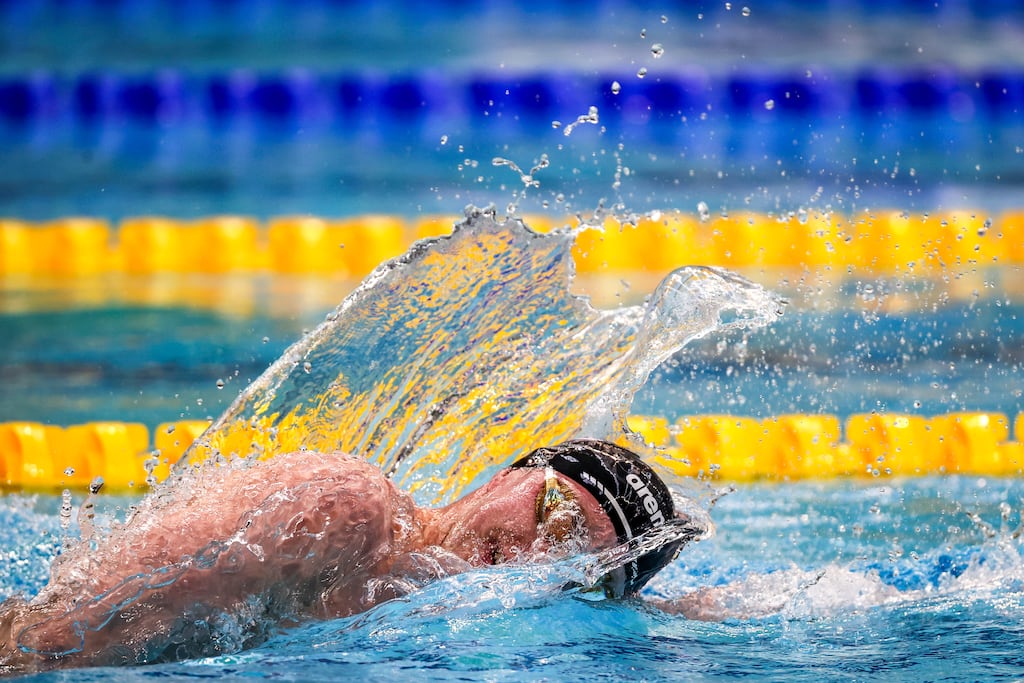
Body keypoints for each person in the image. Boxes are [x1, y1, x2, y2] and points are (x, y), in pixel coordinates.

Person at [0, 439, 698, 675]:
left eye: (574, 563)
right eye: (556, 515)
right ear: (511, 474)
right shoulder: (347, 511)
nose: (538, 553)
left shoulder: (438, 609)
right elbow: (56, 634)